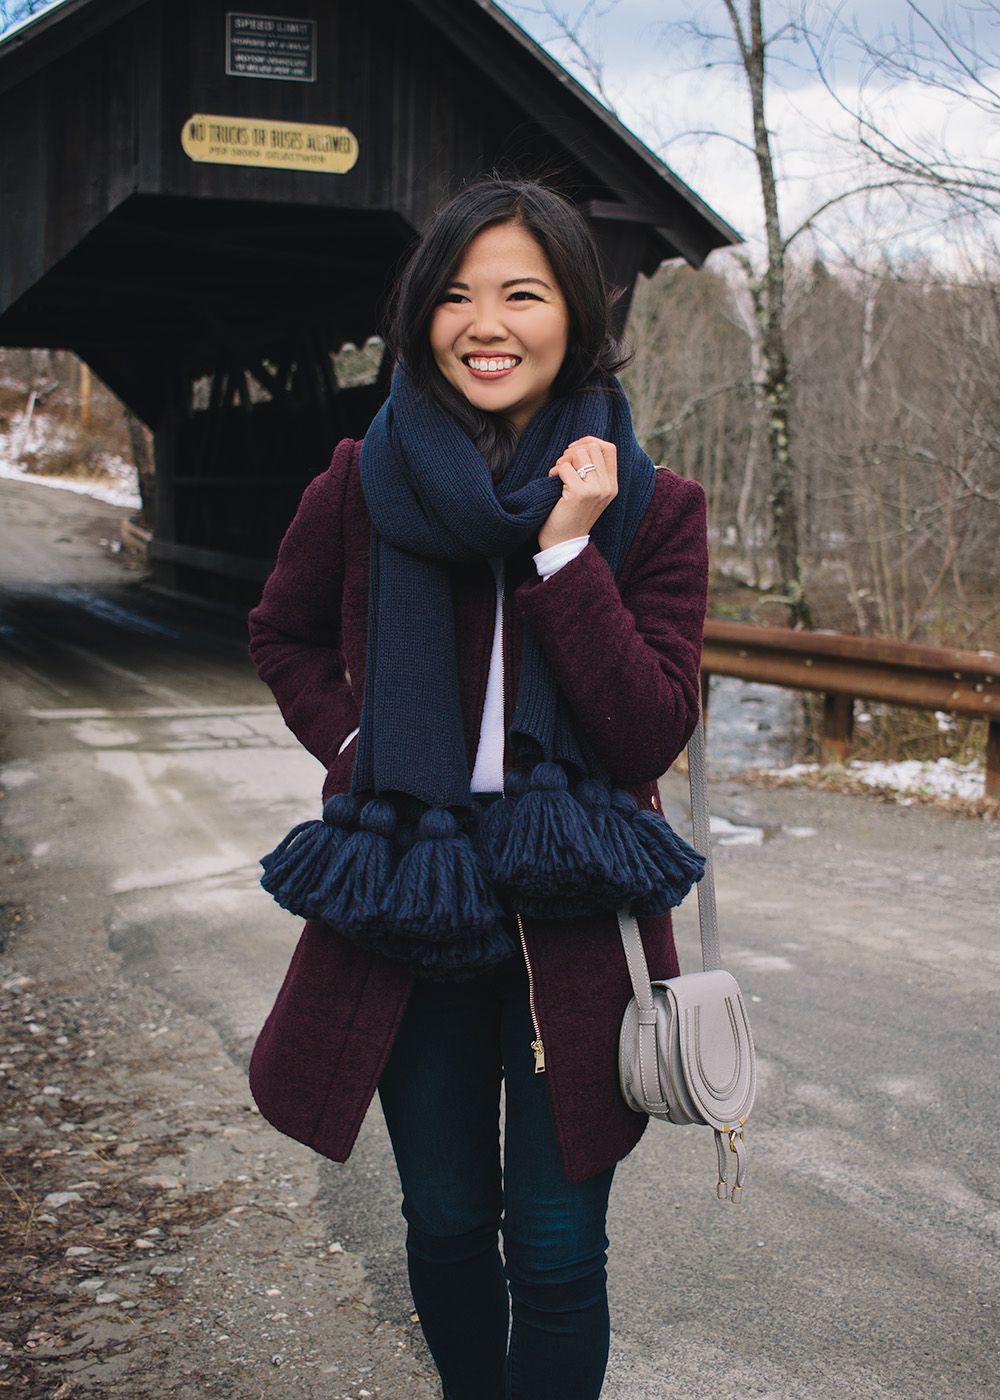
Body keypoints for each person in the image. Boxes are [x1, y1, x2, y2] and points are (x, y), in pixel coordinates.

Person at [247, 177, 708, 1400]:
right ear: (420, 318)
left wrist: (566, 551)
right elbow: (282, 634)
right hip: (414, 890)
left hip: (576, 911)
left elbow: (648, 728)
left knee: (557, 1253)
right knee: (446, 1221)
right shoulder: (360, 479)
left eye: (520, 290)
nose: (483, 321)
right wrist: (358, 751)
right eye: (453, 294)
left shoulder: (652, 507)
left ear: (576, 312)